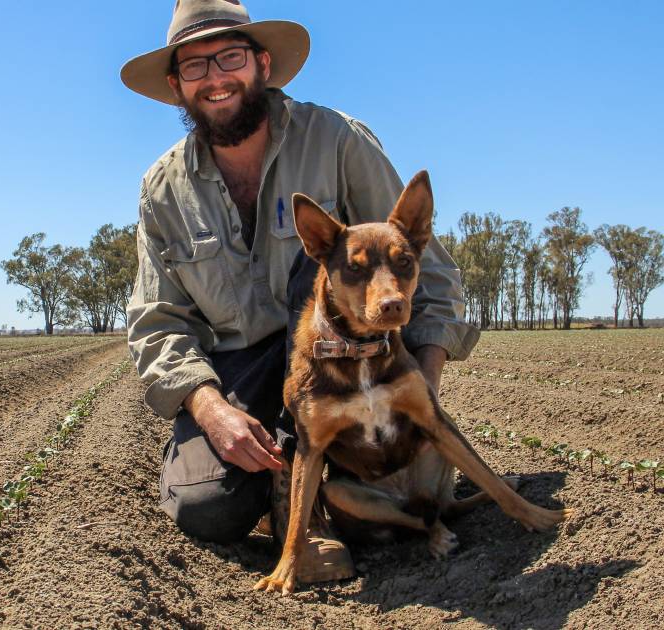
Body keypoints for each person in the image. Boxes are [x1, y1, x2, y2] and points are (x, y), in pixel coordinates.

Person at [121, 0, 479, 583]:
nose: (215, 77)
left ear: (262, 63)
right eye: (195, 67)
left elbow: (428, 269)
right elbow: (158, 320)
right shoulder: (161, 189)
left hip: (336, 354)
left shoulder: (336, 140)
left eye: (229, 57)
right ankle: (274, 485)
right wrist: (210, 412)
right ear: (177, 86)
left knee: (309, 276)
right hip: (241, 369)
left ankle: (310, 517)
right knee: (207, 509)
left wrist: (423, 387)